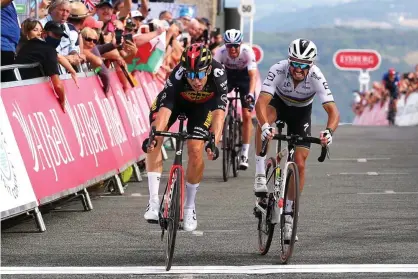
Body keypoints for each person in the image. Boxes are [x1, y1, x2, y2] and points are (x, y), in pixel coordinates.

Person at [254, 38, 340, 240]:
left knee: (300, 164)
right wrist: (266, 126)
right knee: (263, 120)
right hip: (279, 104)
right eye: (295, 63)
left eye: (304, 65)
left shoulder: (317, 76)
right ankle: (259, 173)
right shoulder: (278, 69)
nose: (298, 69)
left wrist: (329, 132)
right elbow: (261, 103)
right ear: (289, 61)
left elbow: (333, 111)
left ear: (311, 65)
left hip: (301, 114)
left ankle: (290, 215)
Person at [143, 44, 228, 231]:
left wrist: (214, 140)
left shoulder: (218, 73)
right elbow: (165, 110)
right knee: (155, 138)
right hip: (176, 103)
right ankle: (153, 201)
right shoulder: (178, 74)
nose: (195, 80)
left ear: (208, 70)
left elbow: (219, 113)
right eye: (191, 75)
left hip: (203, 107)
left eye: (199, 75)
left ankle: (189, 207)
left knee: (196, 148)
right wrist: (154, 134)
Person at [213, 29, 257, 170]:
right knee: (217, 102)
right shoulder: (219, 53)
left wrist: (250, 94)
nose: (232, 49)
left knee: (247, 114)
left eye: (235, 46)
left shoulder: (247, 52)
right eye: (229, 46)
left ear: (240, 44)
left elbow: (253, 77)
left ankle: (244, 153)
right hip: (227, 75)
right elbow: (214, 74)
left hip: (244, 76)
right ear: (225, 45)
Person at [15, 21, 69, 112]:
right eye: (55, 35)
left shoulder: (24, 47)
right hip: (32, 96)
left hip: (18, 93)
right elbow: (58, 85)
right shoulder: (48, 50)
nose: (57, 38)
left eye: (60, 36)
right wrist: (63, 100)